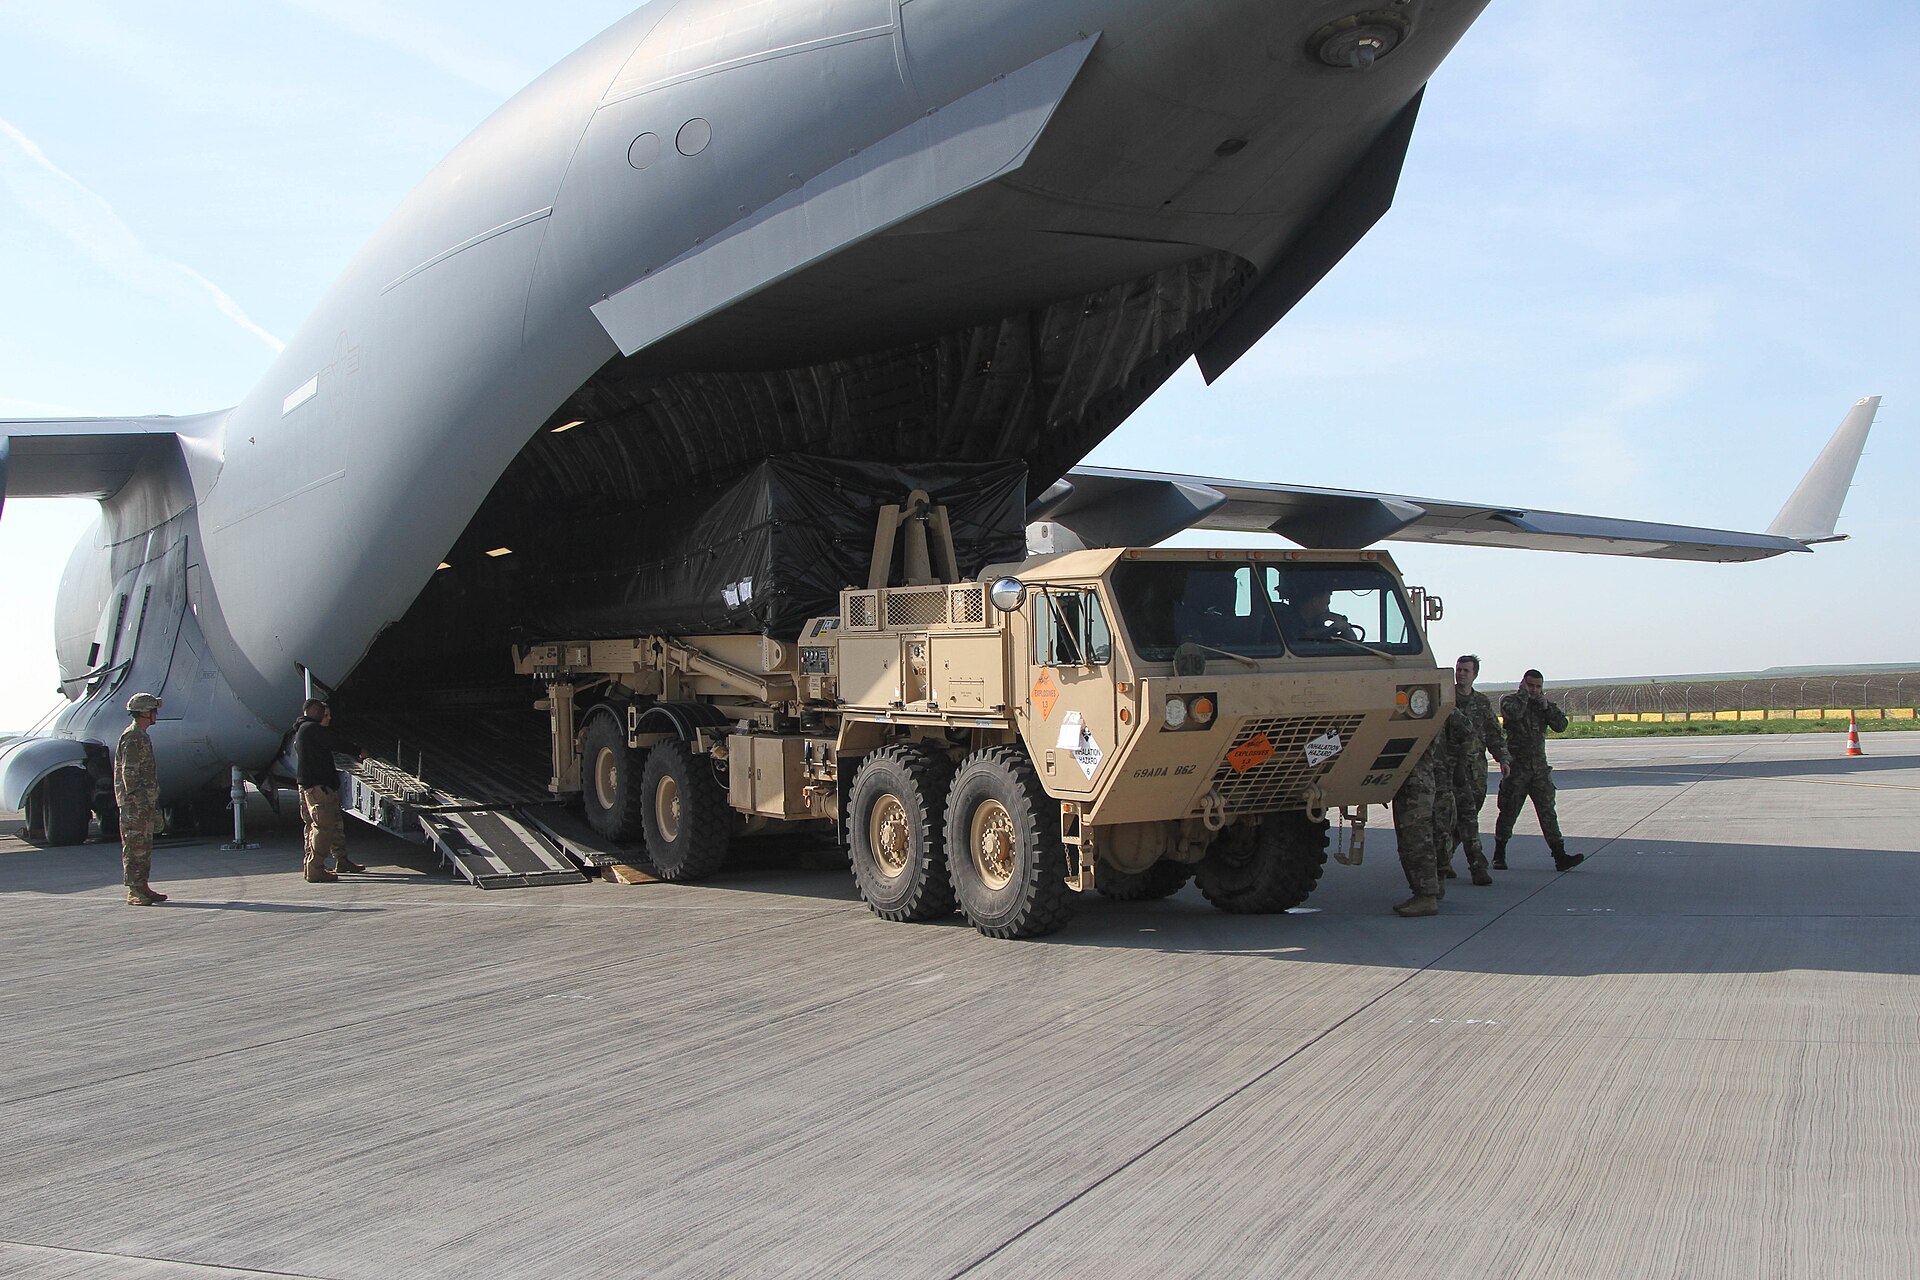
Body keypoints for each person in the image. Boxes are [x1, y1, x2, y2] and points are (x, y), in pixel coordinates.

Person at [1495, 669, 1584, 872]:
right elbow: (1513, 714)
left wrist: (1546, 708)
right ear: (1523, 684)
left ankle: (1559, 855)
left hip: (1539, 770)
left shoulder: (1542, 706)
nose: (1535, 690)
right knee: (1508, 812)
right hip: (1517, 769)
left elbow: (1561, 725)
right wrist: (1524, 695)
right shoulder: (1511, 701)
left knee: (1547, 813)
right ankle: (1499, 853)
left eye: (1538, 686)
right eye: (1531, 685)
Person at [1390, 711, 1468, 917]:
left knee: (1416, 839)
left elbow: (1465, 729)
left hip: (1416, 782)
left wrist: (1456, 762)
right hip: (1426, 779)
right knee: (1433, 835)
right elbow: (1465, 728)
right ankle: (1432, 888)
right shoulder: (1436, 706)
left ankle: (1426, 896)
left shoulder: (1423, 711)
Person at [1442, 654, 1508, 884]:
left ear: (1474, 674)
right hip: (1449, 767)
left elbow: (1492, 731)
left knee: (1469, 814)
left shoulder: (1480, 702)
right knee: (1456, 817)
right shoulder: (1445, 699)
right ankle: (1477, 866)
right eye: (1458, 669)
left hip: (1475, 769)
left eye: (1466, 670)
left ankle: (1444, 858)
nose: (1461, 673)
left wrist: (1503, 758)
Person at [291, 699, 368, 882]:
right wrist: (358, 750)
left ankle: (338, 861)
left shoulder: (303, 730)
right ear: (314, 712)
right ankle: (315, 868)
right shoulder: (312, 730)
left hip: (316, 786)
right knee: (323, 827)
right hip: (319, 787)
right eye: (325, 715)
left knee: (325, 826)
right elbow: (335, 743)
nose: (329, 718)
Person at [114, 692, 168, 905]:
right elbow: (130, 774)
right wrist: (141, 803)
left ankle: (142, 886)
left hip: (143, 803)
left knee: (143, 846)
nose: (156, 714)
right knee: (135, 846)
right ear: (144, 712)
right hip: (135, 805)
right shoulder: (133, 737)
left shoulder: (141, 736)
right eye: (153, 710)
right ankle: (134, 890)